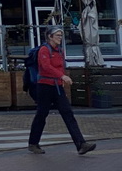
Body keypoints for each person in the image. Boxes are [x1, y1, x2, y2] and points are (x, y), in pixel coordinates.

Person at [27, 26, 96, 155]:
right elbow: (46, 67)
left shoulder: (59, 50)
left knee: (67, 113)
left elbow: (60, 67)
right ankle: (33, 143)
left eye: (60, 35)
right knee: (42, 114)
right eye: (57, 35)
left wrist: (61, 79)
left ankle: (81, 144)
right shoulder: (44, 50)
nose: (60, 38)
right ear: (50, 37)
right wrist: (62, 76)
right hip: (44, 86)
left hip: (57, 87)